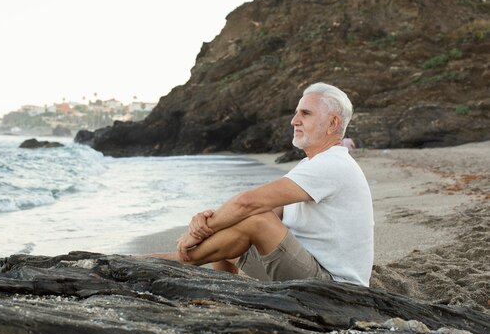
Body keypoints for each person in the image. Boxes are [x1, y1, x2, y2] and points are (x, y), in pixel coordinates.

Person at [148, 82, 374, 287]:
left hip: (335, 286)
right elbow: (262, 210)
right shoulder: (313, 163)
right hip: (311, 270)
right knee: (237, 226)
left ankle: (181, 260)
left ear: (333, 123)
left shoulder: (332, 164)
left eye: (305, 113)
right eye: (296, 113)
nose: (294, 120)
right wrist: (207, 222)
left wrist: (196, 235)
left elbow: (249, 203)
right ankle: (227, 290)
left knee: (256, 220)